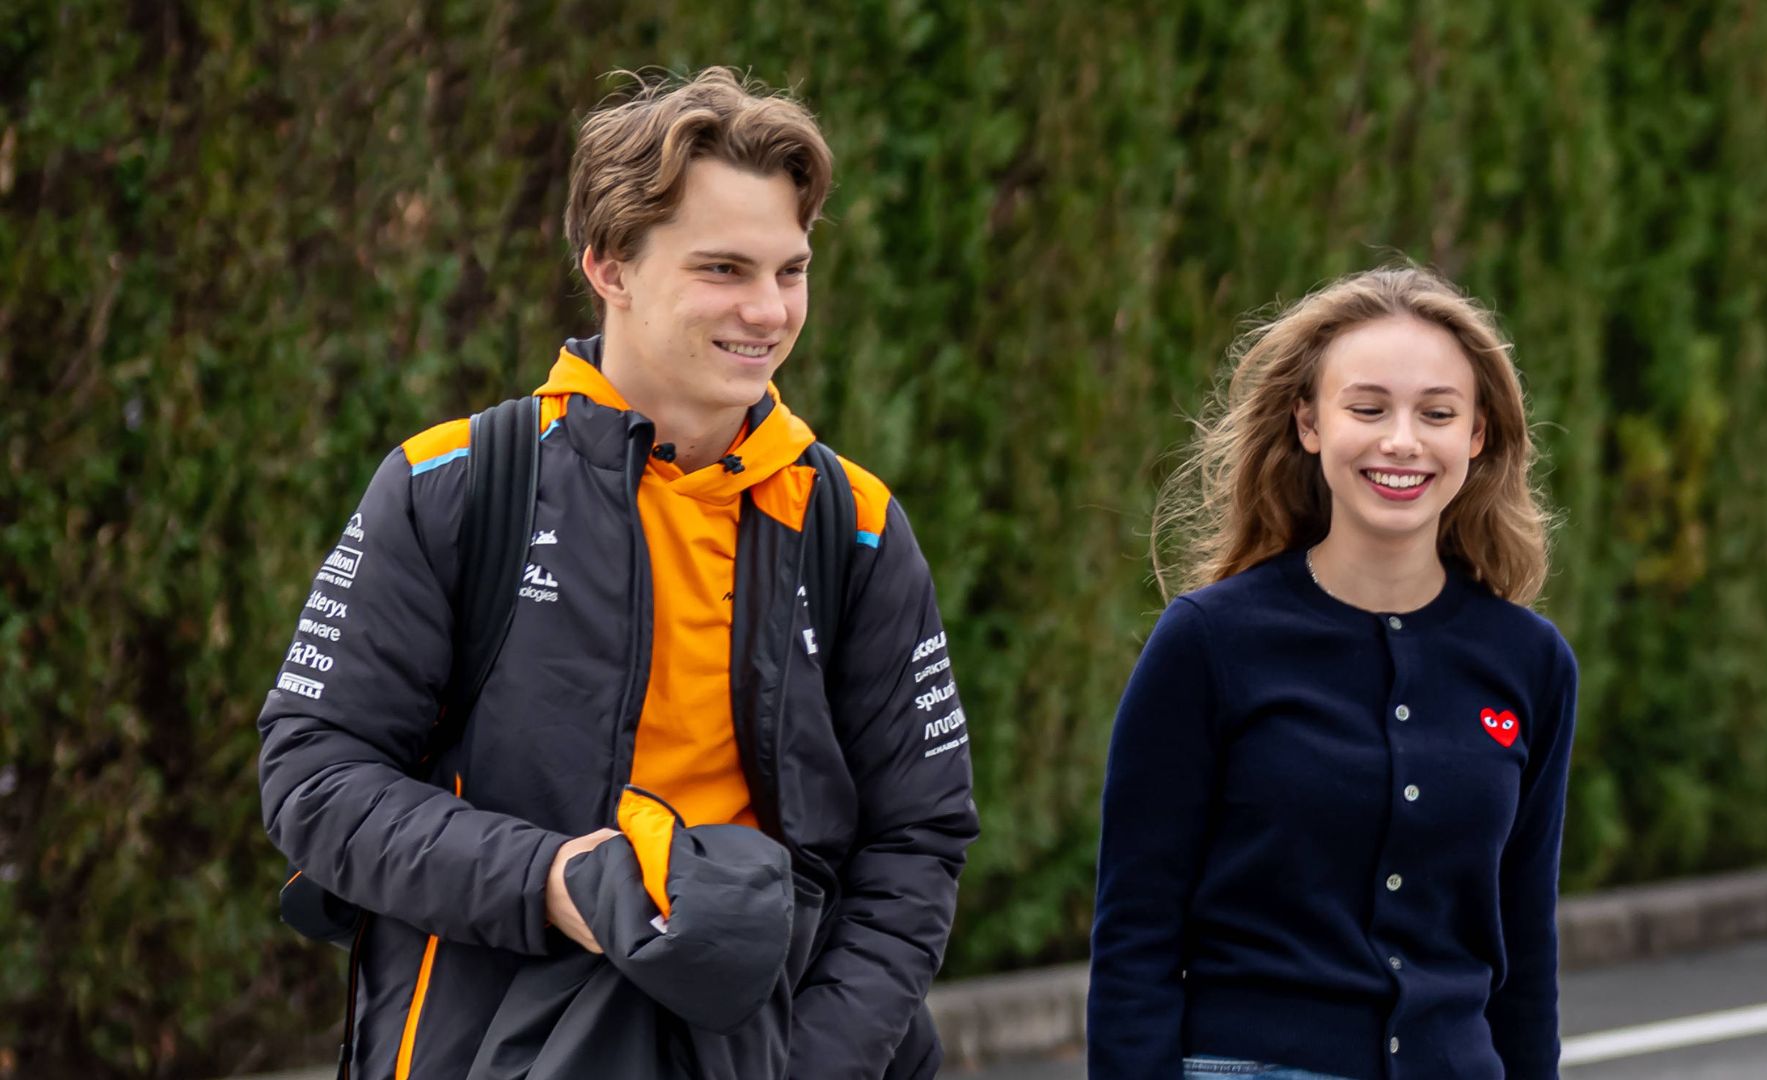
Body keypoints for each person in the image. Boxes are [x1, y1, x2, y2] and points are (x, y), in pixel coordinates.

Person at [257, 68, 976, 1079]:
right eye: (723, 269)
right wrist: (557, 880)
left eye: (791, 270)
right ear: (609, 265)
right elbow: (316, 780)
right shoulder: (450, 486)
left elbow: (919, 839)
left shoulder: (852, 524)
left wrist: (812, 1064)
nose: (768, 312)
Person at [1088, 265, 1576, 1080]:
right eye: (1368, 408)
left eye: (1437, 414)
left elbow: (1525, 952)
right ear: (1309, 422)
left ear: (1478, 435)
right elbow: (1135, 935)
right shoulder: (1207, 644)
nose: (1402, 441)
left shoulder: (1531, 664)